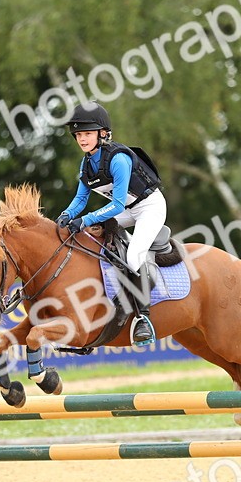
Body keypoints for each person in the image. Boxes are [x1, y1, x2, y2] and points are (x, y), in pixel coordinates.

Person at [56, 102, 165, 345]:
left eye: (87, 133)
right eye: (78, 134)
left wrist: (84, 219)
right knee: (88, 237)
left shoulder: (119, 159)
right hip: (127, 210)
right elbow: (80, 199)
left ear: (102, 133)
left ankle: (143, 318)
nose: (82, 139)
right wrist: (65, 216)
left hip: (149, 208)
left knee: (135, 255)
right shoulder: (86, 164)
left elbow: (115, 205)